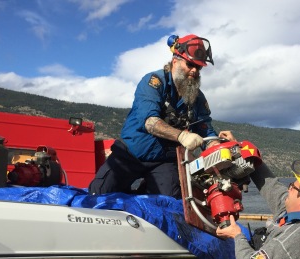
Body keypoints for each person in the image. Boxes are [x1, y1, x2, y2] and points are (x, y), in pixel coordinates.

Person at [89, 34, 232, 198]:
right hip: (131, 153)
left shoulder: (198, 98)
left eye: (198, 68)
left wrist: (218, 146)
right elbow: (150, 122)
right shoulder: (154, 82)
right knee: (98, 194)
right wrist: (181, 136)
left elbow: (205, 130)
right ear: (176, 60)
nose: (194, 70)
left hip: (164, 161)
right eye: (190, 64)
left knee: (169, 204)